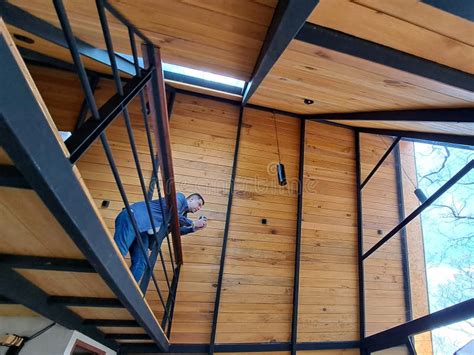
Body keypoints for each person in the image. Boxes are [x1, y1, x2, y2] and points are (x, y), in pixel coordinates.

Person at [114, 192, 206, 281]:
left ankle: (128, 290)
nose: (199, 208)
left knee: (141, 263)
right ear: (192, 199)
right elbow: (173, 213)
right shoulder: (180, 198)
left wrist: (194, 228)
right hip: (134, 217)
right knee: (119, 250)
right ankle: (102, 266)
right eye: (199, 204)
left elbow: (178, 231)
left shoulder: (183, 215)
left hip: (143, 231)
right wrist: (193, 223)